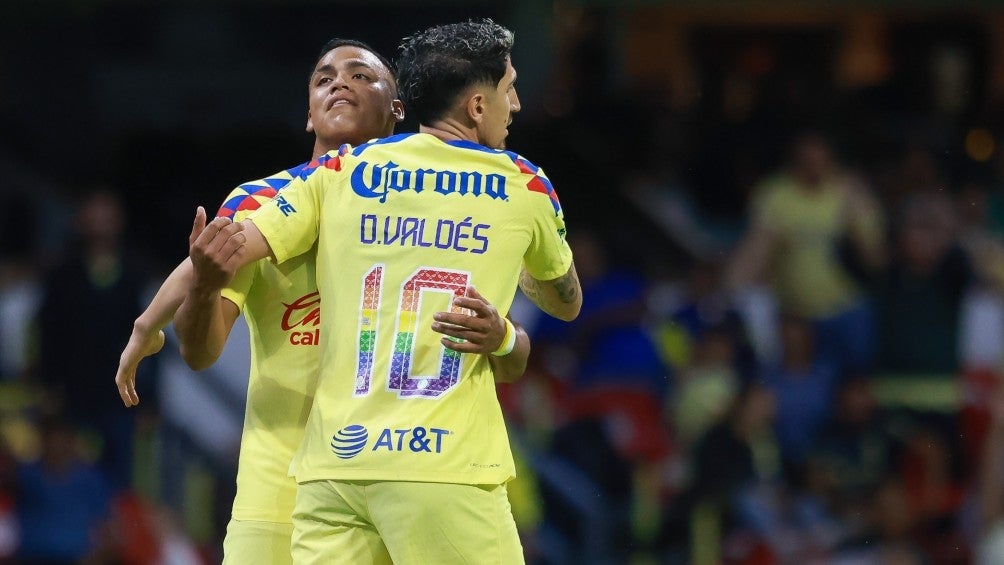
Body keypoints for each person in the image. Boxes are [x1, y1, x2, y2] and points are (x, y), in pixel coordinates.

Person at [176, 18, 581, 564]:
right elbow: (565, 302)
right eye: (510, 89)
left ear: (399, 107)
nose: (518, 104)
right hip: (433, 468)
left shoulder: (338, 174)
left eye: (360, 75)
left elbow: (221, 250)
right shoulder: (521, 184)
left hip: (333, 468)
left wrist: (150, 320)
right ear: (478, 107)